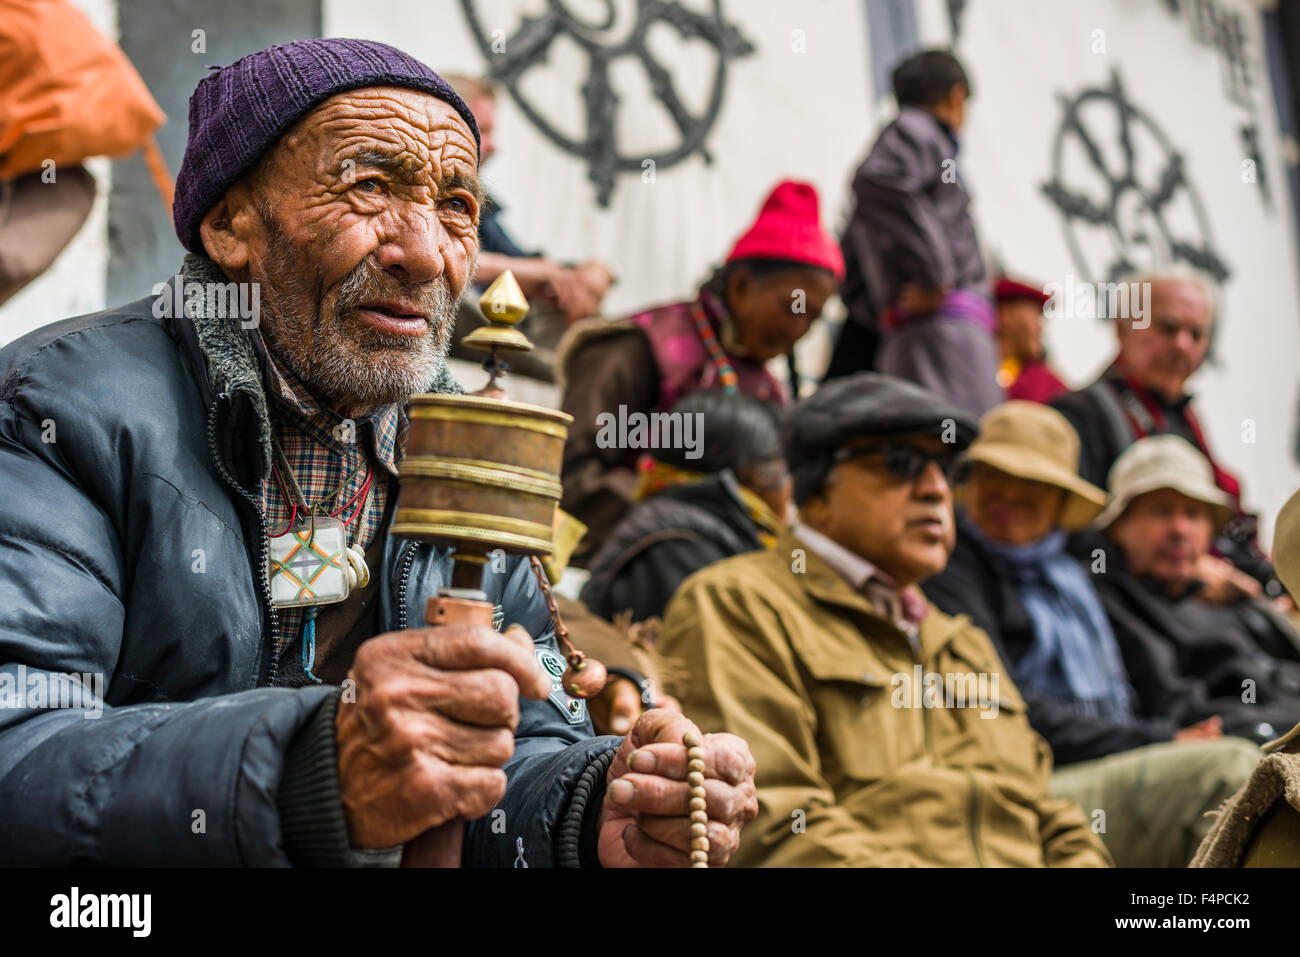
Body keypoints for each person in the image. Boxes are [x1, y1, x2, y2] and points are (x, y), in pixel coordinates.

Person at [0, 38, 758, 868]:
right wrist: (309, 767)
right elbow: (21, 750)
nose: (427, 253)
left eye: (458, 205)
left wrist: (591, 808)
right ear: (228, 224)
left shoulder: (464, 443)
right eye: (368, 186)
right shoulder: (59, 410)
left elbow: (514, 747)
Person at [658, 373, 1111, 867]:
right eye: (901, 465)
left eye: (948, 471)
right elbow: (772, 821)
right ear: (816, 496)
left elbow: (1053, 817)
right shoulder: (740, 604)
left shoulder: (963, 641)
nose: (938, 490)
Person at [922, 401, 1259, 867]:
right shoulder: (948, 568)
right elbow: (1010, 708)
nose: (1010, 495)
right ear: (970, 483)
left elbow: (1149, 682)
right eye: (995, 476)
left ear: (1061, 501)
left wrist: (1226, 727)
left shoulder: (1073, 578)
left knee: (1258, 758)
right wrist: (1158, 740)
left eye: (1034, 484)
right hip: (1028, 781)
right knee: (1228, 773)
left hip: (1100, 761)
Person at [559, 179, 841, 563]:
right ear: (741, 286)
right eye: (794, 307)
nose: (800, 329)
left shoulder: (768, 393)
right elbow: (572, 479)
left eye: (813, 317)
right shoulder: (639, 348)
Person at [1051, 267, 1272, 590]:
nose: (1183, 345)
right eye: (1168, 328)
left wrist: (1267, 582)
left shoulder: (1183, 419)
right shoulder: (1078, 417)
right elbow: (1077, 542)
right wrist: (1189, 573)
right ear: (1123, 328)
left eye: (1196, 334)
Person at [1087, 436, 1300, 748]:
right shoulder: (1110, 601)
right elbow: (1181, 711)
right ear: (1119, 525)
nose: (1180, 530)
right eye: (1160, 512)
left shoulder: (1226, 597)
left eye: (1193, 514)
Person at [841, 49, 1002, 417]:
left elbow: (851, 263)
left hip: (922, 333)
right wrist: (935, 277)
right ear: (956, 96)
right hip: (943, 331)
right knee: (954, 444)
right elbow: (879, 181)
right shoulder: (916, 132)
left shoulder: (914, 143)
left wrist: (883, 309)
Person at [580, 390, 789, 623]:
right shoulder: (680, 544)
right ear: (751, 476)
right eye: (786, 470)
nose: (790, 487)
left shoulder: (690, 525)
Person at [993, 277, 1068, 403]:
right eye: (1036, 316)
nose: (1040, 328)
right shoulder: (970, 358)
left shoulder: (1046, 385)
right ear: (1005, 314)